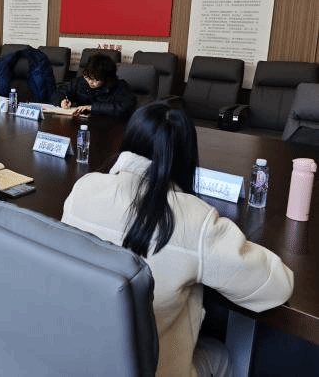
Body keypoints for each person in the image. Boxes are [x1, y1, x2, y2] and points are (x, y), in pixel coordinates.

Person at [62, 103, 294, 377]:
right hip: (154, 369)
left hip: (81, 359)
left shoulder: (84, 187)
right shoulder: (194, 219)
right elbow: (276, 286)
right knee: (223, 357)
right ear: (185, 155)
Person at [52, 53, 135, 117]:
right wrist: (62, 101)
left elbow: (125, 108)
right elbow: (57, 92)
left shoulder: (119, 87)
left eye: (95, 80)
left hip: (108, 126)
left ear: (106, 78)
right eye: (88, 77)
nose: (90, 82)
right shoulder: (79, 82)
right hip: (82, 123)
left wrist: (92, 108)